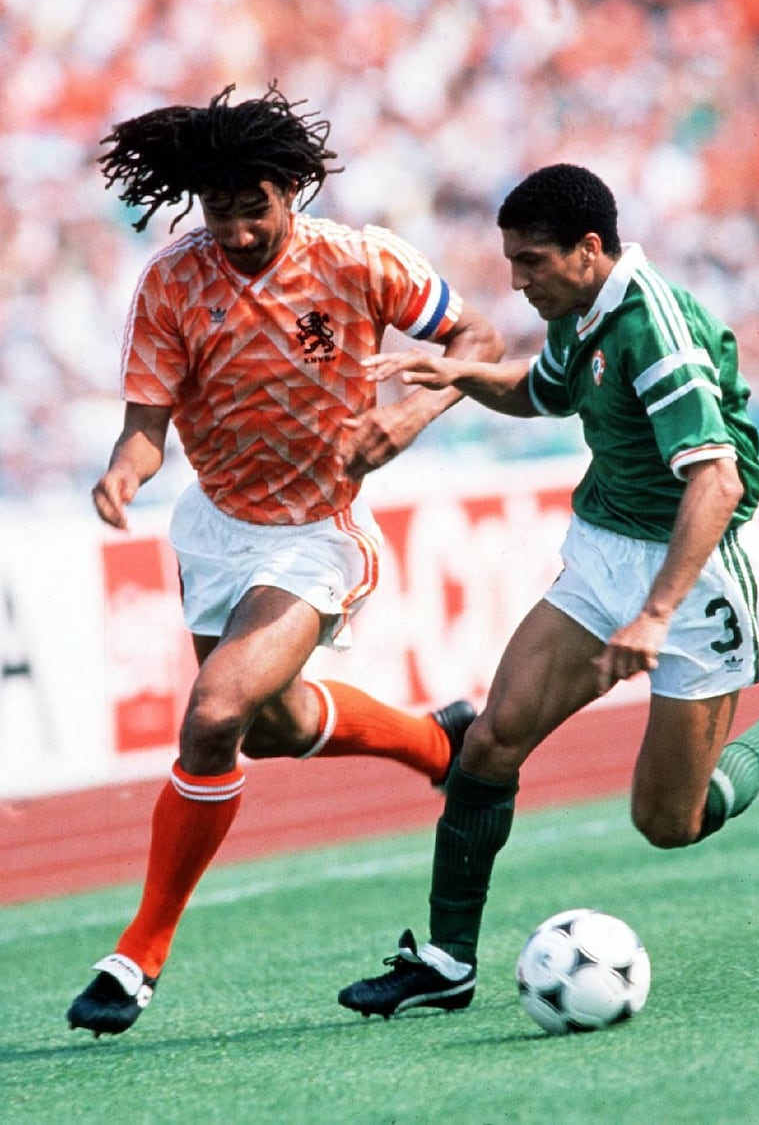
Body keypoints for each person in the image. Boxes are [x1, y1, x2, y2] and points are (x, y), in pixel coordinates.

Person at [66, 83, 504, 1037]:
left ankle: (138, 954)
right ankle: (440, 742)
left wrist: (413, 409)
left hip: (317, 531)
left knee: (214, 712)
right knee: (267, 725)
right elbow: (145, 427)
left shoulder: (360, 259)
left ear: (291, 188)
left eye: (252, 207)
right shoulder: (171, 281)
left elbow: (477, 337)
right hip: (216, 526)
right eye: (219, 210)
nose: (237, 230)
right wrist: (122, 473)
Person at [338, 162, 759, 1019]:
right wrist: (459, 377)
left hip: (697, 579)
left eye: (532, 262)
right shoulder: (583, 308)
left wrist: (657, 612)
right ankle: (445, 961)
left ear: (589, 250)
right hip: (602, 553)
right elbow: (545, 393)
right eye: (512, 262)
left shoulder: (653, 326)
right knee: (489, 741)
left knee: (669, 819)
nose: (517, 282)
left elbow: (718, 482)